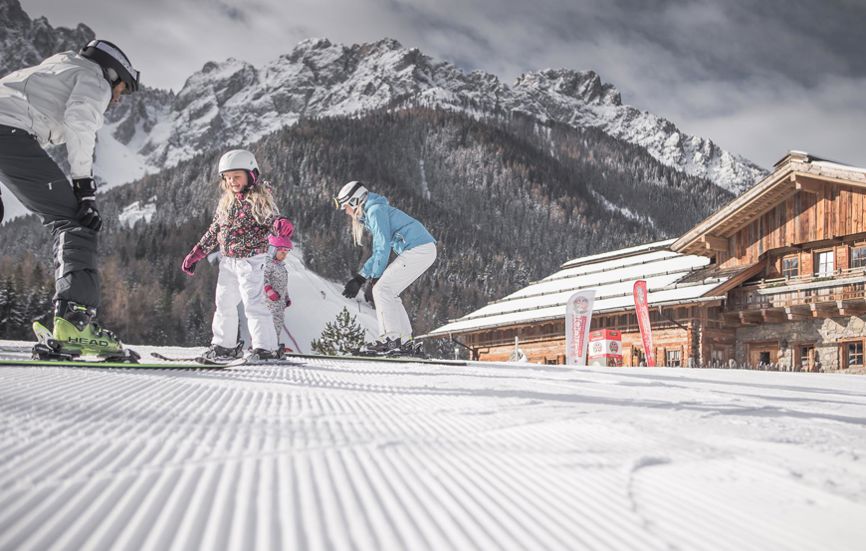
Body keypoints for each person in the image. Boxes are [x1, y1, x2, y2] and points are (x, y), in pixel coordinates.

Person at [0, 40, 140, 356]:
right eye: (121, 90)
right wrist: (84, 189)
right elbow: (80, 124)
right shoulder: (95, 78)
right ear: (113, 74)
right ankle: (74, 326)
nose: (117, 99)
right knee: (74, 221)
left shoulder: (59, 65)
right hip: (7, 132)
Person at [181, 149, 293, 361]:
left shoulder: (258, 199)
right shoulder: (227, 202)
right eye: (228, 177)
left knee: (254, 304)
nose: (232, 181)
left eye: (237, 177)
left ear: (251, 175)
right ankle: (225, 345)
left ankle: (266, 348)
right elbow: (215, 231)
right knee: (223, 303)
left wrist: (280, 224)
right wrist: (196, 254)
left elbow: (271, 219)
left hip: (251, 261)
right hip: (228, 261)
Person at [335, 181, 436, 353]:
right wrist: (360, 278)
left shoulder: (374, 211)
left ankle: (390, 339)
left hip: (418, 249)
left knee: (382, 289)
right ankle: (404, 341)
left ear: (354, 201)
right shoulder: (374, 210)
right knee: (388, 292)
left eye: (345, 206)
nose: (345, 211)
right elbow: (379, 251)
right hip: (423, 249)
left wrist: (375, 278)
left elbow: (382, 247)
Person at [264, 233, 293, 350]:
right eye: (282, 252)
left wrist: (286, 297)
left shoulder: (281, 267)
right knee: (268, 323)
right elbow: (263, 278)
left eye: (286, 253)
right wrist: (269, 291)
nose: (284, 255)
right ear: (273, 250)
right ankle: (264, 345)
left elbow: (284, 285)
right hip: (268, 302)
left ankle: (274, 344)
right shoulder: (268, 264)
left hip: (279, 303)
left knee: (278, 323)